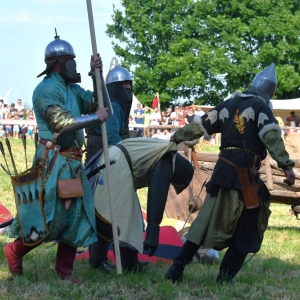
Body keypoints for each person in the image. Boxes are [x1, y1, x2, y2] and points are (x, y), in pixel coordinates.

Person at [165, 63, 295, 284]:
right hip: (245, 176)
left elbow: (201, 125)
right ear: (269, 92)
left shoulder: (229, 104)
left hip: (224, 172)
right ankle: (224, 277)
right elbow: (272, 136)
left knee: (205, 221)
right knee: (250, 225)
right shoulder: (261, 107)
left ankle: (177, 268)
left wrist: (177, 136)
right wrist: (287, 165)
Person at [5, 32, 108, 284]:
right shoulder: (44, 90)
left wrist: (97, 75)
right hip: (53, 161)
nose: (73, 64)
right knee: (47, 217)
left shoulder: (73, 88)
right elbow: (61, 123)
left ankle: (65, 272)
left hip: (73, 163)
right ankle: (15, 251)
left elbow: (100, 103)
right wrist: (96, 117)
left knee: (77, 217)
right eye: (69, 60)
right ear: (57, 63)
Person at [87, 137, 194, 272]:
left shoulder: (162, 149)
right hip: (118, 165)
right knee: (129, 220)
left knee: (105, 217)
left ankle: (99, 260)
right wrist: (153, 233)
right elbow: (157, 196)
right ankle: (128, 265)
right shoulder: (167, 159)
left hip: (112, 159)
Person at [86, 60, 136, 273]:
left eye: (129, 83)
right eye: (124, 84)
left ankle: (120, 261)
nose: (128, 87)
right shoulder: (114, 105)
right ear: (114, 87)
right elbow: (114, 136)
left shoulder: (116, 104)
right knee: (110, 212)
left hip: (108, 159)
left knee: (113, 211)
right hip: (107, 161)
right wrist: (127, 158)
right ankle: (100, 261)